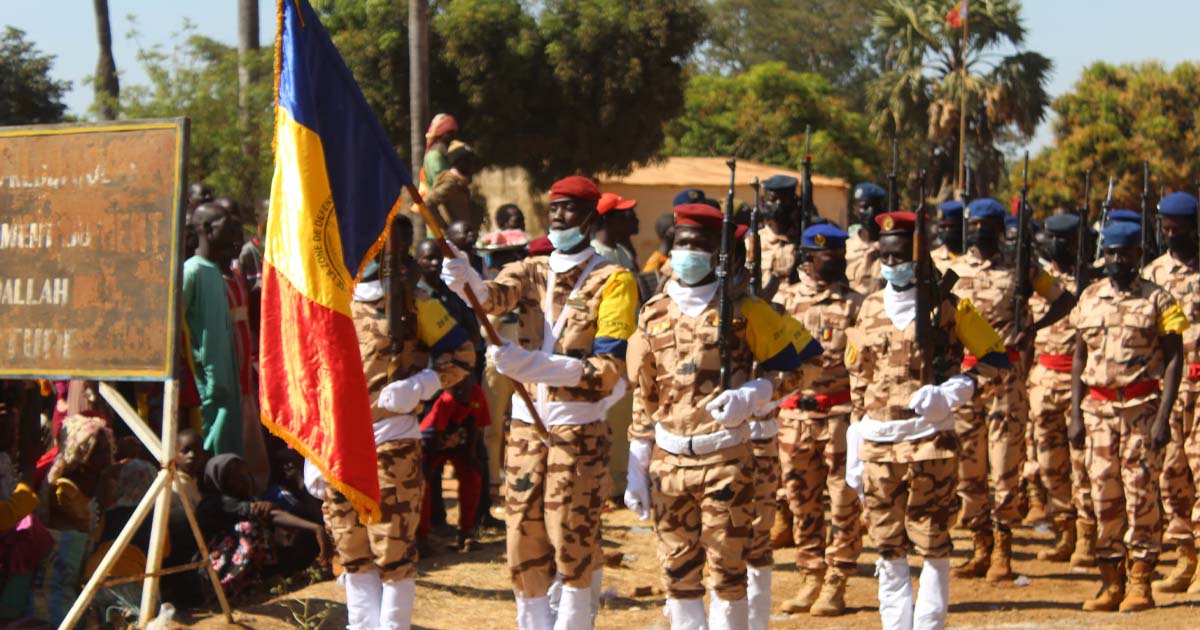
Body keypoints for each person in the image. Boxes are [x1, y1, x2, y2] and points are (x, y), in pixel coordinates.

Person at [440, 175, 637, 630]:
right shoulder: (533, 269)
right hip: (527, 425)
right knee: (522, 536)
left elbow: (606, 370)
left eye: (569, 208)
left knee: (572, 535)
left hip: (577, 428)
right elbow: (492, 298)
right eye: (554, 208)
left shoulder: (615, 280)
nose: (558, 216)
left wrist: (534, 368)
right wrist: (464, 278)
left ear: (591, 218)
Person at [623, 202, 823, 630]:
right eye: (681, 243)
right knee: (677, 574)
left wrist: (757, 392)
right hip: (669, 463)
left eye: (699, 244)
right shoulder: (653, 311)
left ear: (719, 253)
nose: (687, 252)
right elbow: (646, 391)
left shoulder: (745, 310)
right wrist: (637, 459)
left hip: (725, 463)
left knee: (728, 575)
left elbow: (806, 365)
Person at [844, 211, 1010, 630]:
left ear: (919, 260)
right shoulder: (869, 307)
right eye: (885, 256)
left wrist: (955, 391)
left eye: (900, 256)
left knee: (933, 537)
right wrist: (855, 432)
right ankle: (896, 623)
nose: (891, 264)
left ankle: (930, 621)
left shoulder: (948, 306)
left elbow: (996, 359)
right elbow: (860, 375)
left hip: (928, 442)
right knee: (885, 540)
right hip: (880, 442)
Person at [322, 231, 477, 630]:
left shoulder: (413, 303)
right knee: (351, 546)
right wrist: (312, 445)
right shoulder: (331, 301)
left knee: (392, 548)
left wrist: (421, 385)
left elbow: (462, 355)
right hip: (338, 446)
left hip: (391, 440)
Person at [947, 197, 1075, 582]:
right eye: (974, 225)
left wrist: (1032, 329)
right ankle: (979, 546)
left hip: (1006, 382)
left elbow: (1064, 299)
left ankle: (1003, 550)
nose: (979, 232)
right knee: (968, 469)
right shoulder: (950, 269)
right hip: (965, 384)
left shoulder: (1023, 268)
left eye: (988, 226)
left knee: (1004, 468)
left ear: (1001, 229)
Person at [1068, 220, 1187, 612]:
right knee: (1103, 494)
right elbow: (1080, 356)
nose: (1119, 260)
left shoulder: (1160, 300)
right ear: (1106, 256)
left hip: (1141, 408)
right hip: (1097, 410)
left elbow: (1174, 358)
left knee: (1140, 494)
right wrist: (1075, 414)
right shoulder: (1089, 297)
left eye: (1127, 254)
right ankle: (1110, 581)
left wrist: (1163, 416)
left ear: (1139, 256)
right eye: (1114, 253)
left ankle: (1141, 580)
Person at [775, 224, 864, 617]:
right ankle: (810, 574)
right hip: (795, 415)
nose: (838, 263)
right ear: (808, 258)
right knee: (801, 501)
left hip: (841, 415)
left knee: (844, 502)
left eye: (842, 257)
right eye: (829, 257)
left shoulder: (857, 304)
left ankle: (836, 581)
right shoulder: (782, 300)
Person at [1027, 214, 1096, 567]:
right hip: (1042, 380)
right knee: (1050, 463)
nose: (1053, 243)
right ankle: (1064, 530)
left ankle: (1087, 535)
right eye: (1050, 237)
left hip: (1079, 381)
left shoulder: (1093, 281)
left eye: (1061, 238)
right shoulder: (1040, 281)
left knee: (1083, 463)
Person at [1141, 192, 1200, 593]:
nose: (1171, 234)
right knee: (1171, 472)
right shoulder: (1154, 273)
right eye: (1166, 228)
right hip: (1170, 389)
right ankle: (1184, 555)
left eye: (1178, 228)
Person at [184, 202, 244, 455]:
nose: (232, 234)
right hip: (207, 384)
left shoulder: (215, 273)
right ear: (207, 229)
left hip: (226, 380)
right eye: (225, 226)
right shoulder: (192, 271)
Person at [418, 377, 490, 550]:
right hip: (433, 444)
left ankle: (467, 532)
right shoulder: (446, 400)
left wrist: (472, 455)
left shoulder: (476, 394)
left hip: (462, 442)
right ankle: (421, 538)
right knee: (422, 485)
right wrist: (428, 466)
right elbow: (436, 433)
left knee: (472, 477)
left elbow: (477, 425)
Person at [756, 175, 800, 294]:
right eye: (773, 199)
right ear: (764, 202)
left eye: (785, 200)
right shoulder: (754, 242)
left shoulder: (804, 241)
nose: (779, 204)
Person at [424, 141, 483, 228]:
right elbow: (428, 204)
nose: (471, 163)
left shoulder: (462, 182)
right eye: (467, 160)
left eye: (471, 159)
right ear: (457, 162)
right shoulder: (451, 182)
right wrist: (446, 227)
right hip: (454, 237)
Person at [845, 182, 888, 295]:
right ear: (854, 209)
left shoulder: (892, 250)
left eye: (876, 208)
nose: (871, 212)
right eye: (864, 207)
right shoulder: (845, 248)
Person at [592, 193, 640, 271]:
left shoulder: (623, 251)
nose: (626, 219)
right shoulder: (594, 253)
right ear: (606, 218)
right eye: (622, 216)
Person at [420, 113, 459, 196]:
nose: (453, 136)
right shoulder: (435, 156)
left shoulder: (443, 153)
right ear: (441, 133)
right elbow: (441, 184)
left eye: (454, 133)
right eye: (450, 133)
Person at [931, 200, 964, 271]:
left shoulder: (977, 257)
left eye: (951, 226)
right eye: (942, 226)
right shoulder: (932, 258)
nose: (947, 230)